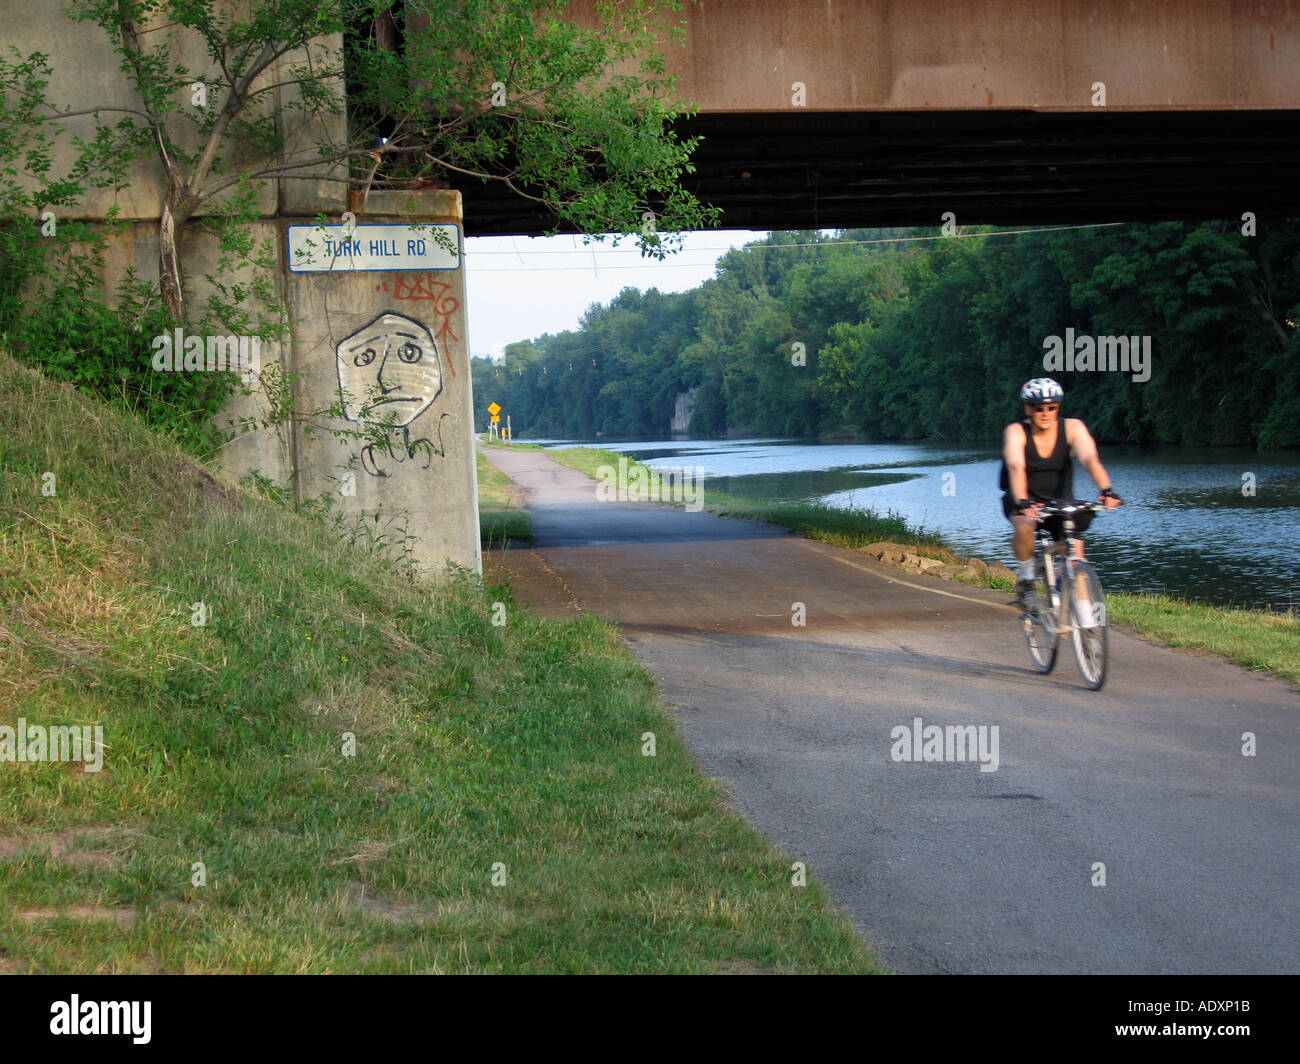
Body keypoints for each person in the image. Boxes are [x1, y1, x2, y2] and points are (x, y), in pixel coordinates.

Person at [999, 378, 1122, 609]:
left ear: (1058, 408)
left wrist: (1106, 490)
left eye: (1052, 408)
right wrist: (1024, 502)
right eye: (1039, 408)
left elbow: (1089, 458)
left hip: (1060, 502)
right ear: (1028, 408)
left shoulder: (1073, 427)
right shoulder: (1016, 432)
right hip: (1023, 498)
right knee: (1025, 527)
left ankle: (1087, 626)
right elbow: (1016, 465)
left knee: (1076, 558)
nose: (1045, 413)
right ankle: (1026, 579)